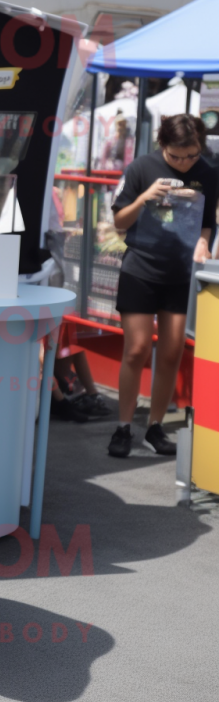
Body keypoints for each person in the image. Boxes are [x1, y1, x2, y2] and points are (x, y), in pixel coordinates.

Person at [108, 114, 217, 457]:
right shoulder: (142, 167)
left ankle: (154, 427)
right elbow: (119, 222)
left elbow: (207, 221)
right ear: (162, 146)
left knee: (171, 353)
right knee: (137, 349)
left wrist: (204, 243)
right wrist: (144, 198)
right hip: (141, 268)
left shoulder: (209, 173)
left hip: (182, 274)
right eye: (176, 156)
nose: (184, 163)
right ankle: (123, 426)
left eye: (191, 155)